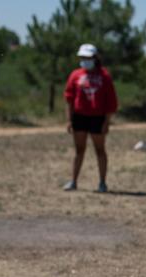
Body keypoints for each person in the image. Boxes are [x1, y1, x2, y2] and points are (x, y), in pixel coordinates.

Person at [62, 43, 117, 193]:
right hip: (80, 117)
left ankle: (102, 183)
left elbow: (111, 101)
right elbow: (69, 99)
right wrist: (69, 119)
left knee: (100, 150)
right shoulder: (75, 75)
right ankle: (73, 181)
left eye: (88, 57)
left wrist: (106, 122)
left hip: (97, 118)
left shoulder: (104, 76)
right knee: (79, 150)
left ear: (95, 58)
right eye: (82, 57)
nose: (84, 60)